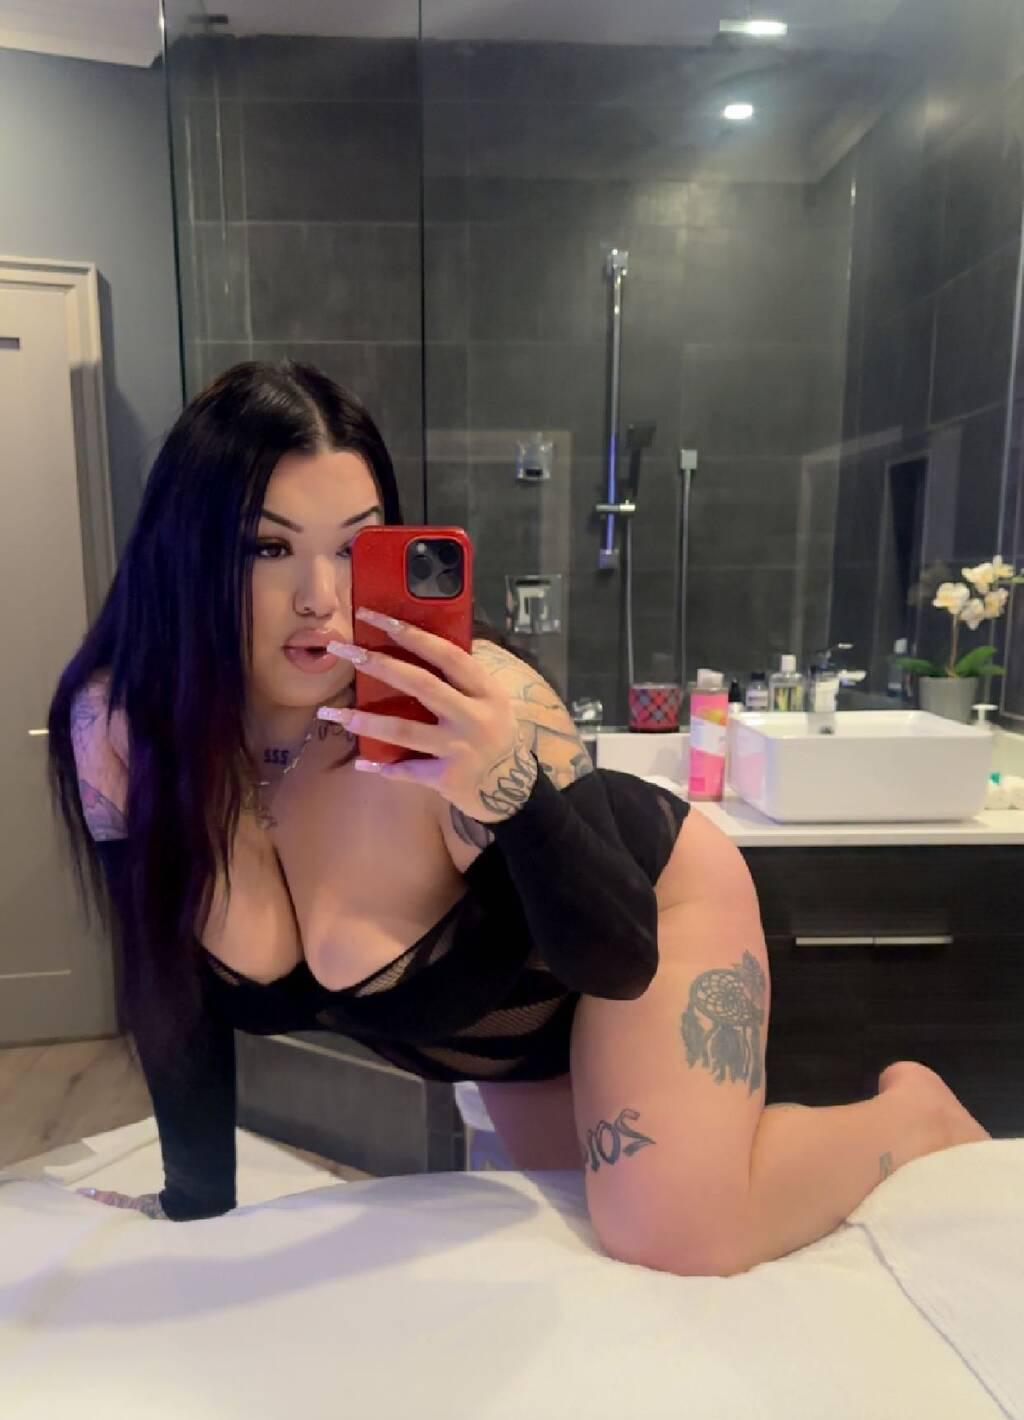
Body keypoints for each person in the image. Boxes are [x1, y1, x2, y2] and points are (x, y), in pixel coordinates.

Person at [48, 361, 988, 1275]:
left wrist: (511, 790)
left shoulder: (471, 702)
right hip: (510, 1027)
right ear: (186, 551)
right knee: (581, 1234)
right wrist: (195, 1206)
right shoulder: (126, 730)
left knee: (673, 1233)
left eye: (353, 547)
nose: (320, 600)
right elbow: (163, 978)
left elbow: (619, 959)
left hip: (643, 912)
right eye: (268, 548)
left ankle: (914, 1116)